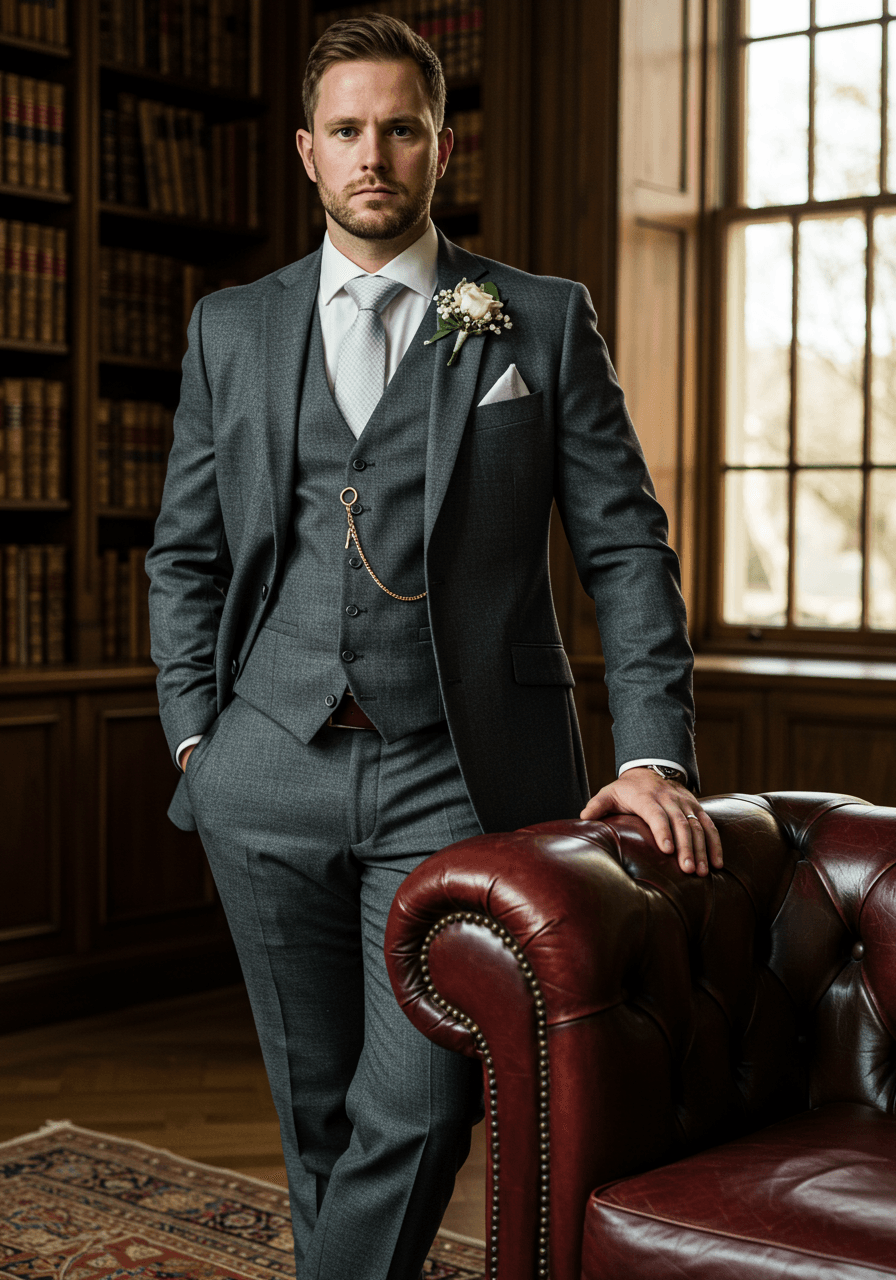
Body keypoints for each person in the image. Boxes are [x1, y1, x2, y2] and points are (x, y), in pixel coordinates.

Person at [146, 14, 722, 1280]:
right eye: (346, 130)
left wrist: (655, 758)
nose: (374, 154)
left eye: (399, 128)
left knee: (417, 1106)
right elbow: (183, 555)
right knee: (313, 1104)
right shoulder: (230, 329)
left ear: (439, 145)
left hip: (458, 777)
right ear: (306, 151)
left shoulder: (538, 319)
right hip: (263, 767)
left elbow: (624, 550)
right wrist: (197, 736)